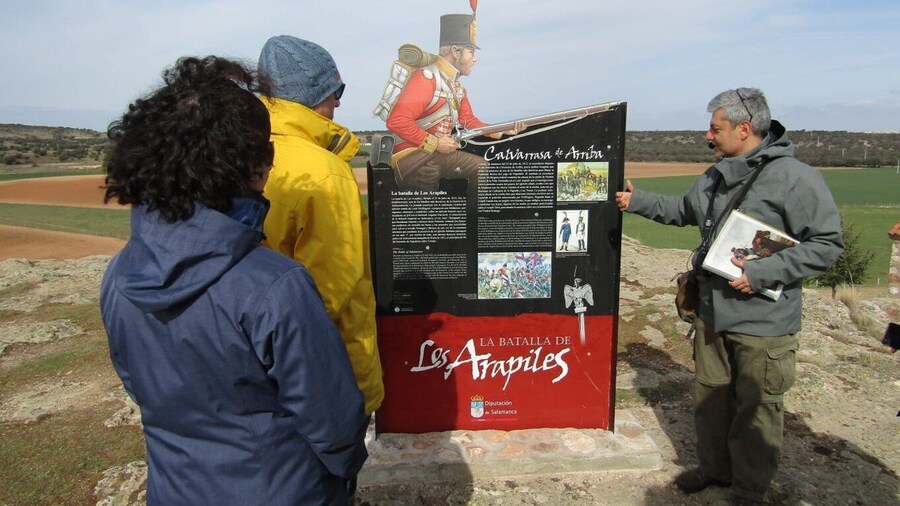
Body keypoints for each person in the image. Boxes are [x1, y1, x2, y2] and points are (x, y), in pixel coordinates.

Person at [100, 56, 368, 504]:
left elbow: (139, 383)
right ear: (253, 166)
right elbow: (334, 423)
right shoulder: (275, 286)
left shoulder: (120, 272)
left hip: (174, 488)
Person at [615, 87, 844, 504]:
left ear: (744, 128)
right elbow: (685, 210)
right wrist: (637, 201)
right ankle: (715, 469)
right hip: (712, 312)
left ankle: (749, 489)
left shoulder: (796, 179)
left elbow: (827, 244)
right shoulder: (717, 173)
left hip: (763, 321)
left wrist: (765, 272)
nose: (708, 136)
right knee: (711, 398)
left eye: (715, 128)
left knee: (756, 407)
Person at [257, 36, 384, 420]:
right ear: (311, 97)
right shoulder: (324, 173)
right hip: (325, 371)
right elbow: (332, 289)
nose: (340, 102)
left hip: (259, 366)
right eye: (335, 90)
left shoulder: (242, 151)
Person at [386, 13, 522, 195]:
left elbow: (468, 121)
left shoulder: (457, 87)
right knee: (429, 209)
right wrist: (434, 143)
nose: (475, 58)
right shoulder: (426, 79)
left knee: (480, 167)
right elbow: (397, 121)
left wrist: (502, 129)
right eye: (471, 52)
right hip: (414, 158)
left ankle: (474, 220)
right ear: (456, 52)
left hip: (437, 154)